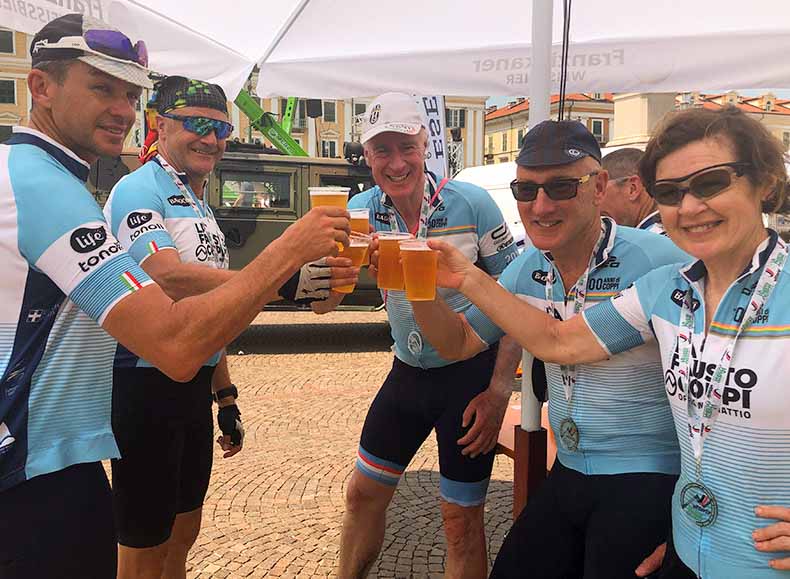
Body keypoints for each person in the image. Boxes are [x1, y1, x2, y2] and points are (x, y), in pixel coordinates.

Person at [0, 15, 351, 579]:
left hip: (61, 452)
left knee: (178, 531)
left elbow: (195, 315)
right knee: (141, 544)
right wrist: (285, 262)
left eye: (131, 93)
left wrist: (224, 391)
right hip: (43, 460)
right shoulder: (54, 185)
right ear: (41, 87)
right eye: (102, 86)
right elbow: (169, 310)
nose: (122, 108)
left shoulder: (55, 179)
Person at [417, 106, 790, 578]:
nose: (690, 207)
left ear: (766, 183)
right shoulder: (667, 289)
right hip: (646, 510)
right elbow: (552, 341)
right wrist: (434, 287)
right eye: (671, 192)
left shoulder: (658, 260)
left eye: (712, 182)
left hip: (653, 483)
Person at [314, 92, 519, 578]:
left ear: (425, 143)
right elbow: (327, 302)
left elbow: (516, 300)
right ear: (366, 156)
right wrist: (325, 278)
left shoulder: (472, 202)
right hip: (406, 374)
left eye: (406, 147)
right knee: (362, 494)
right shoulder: (359, 211)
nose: (396, 162)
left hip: (469, 378)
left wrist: (498, 391)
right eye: (382, 150)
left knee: (460, 520)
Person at [601, 147, 665, 234]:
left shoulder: (650, 241)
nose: (595, 202)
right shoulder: (673, 232)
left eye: (600, 188)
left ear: (632, 188)